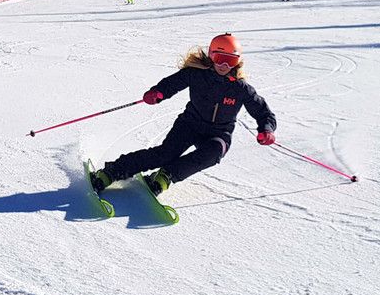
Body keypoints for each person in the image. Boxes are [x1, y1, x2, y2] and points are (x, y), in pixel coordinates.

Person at [89, 34, 277, 195]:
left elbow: (263, 112)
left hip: (218, 133)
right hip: (190, 125)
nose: (224, 65)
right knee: (165, 154)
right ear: (212, 55)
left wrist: (266, 129)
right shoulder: (196, 74)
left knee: (214, 152)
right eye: (220, 58)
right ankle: (112, 171)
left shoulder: (240, 88)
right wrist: (158, 93)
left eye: (231, 60)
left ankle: (166, 175)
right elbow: (172, 83)